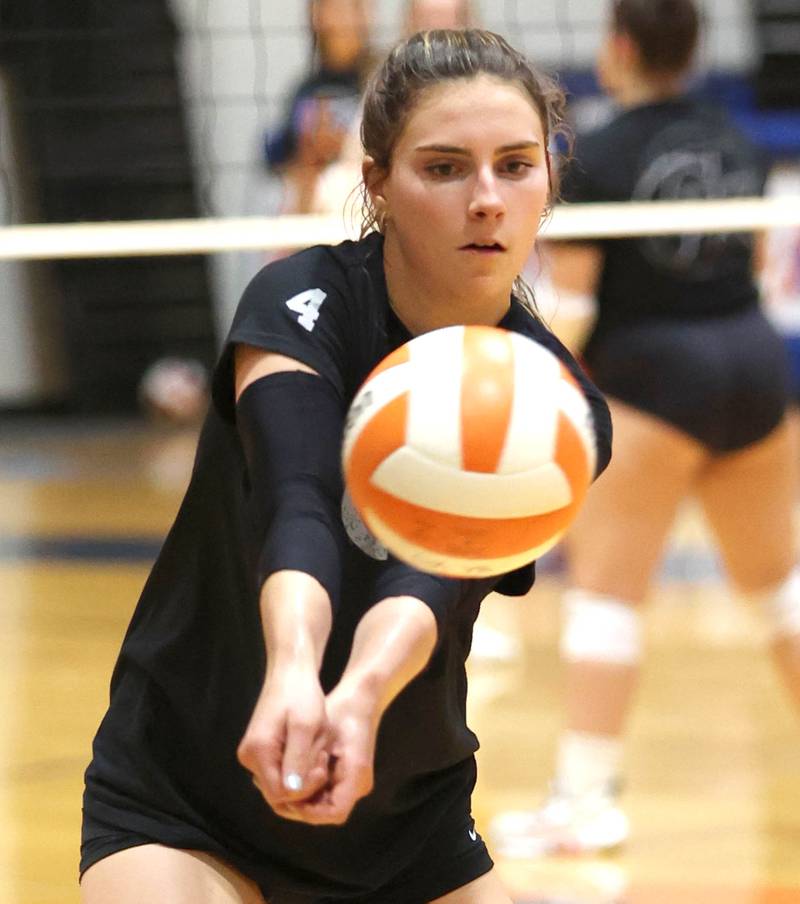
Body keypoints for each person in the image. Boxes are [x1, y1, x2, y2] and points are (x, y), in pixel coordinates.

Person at [79, 28, 612, 904]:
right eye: (444, 168)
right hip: (190, 793)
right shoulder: (300, 305)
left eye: (515, 165)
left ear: (548, 178)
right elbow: (301, 503)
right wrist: (296, 671)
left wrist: (357, 696)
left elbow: (432, 576)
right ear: (378, 183)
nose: (487, 199)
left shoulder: (558, 407)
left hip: (405, 822)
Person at [489, 0, 800, 859]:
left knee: (606, 597)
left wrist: (526, 380)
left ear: (617, 47)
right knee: (779, 591)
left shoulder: (600, 150)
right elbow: (760, 263)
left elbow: (576, 304)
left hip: (655, 381)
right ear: (695, 50)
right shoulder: (736, 136)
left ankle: (585, 805)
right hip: (752, 361)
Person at [265, 0, 371, 216]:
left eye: (343, 9)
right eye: (325, 8)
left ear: (363, 15)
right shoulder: (305, 89)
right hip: (310, 207)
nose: (333, 19)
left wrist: (343, 145)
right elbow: (276, 154)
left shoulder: (377, 79)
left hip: (359, 204)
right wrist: (310, 151)